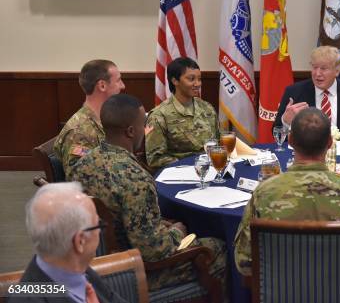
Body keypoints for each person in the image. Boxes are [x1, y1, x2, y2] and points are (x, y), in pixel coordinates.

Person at [73, 94, 226, 291]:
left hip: (94, 262)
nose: (146, 131)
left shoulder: (83, 164)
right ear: (130, 131)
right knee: (216, 248)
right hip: (133, 270)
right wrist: (176, 231)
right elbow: (153, 251)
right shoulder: (136, 179)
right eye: (143, 125)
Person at [235, 108, 340, 275]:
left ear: (291, 140)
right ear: (330, 143)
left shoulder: (264, 192)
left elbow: (244, 262)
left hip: (280, 293)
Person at [9, 182, 126, 303]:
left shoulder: (79, 271)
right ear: (80, 241)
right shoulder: (28, 298)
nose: (100, 231)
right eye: (98, 224)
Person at [273, 46, 340, 145]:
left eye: (323, 68)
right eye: (314, 67)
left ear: (337, 71)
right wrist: (285, 122)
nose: (317, 74)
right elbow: (276, 134)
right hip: (307, 155)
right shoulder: (294, 92)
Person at [54, 59, 125, 179]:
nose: (123, 86)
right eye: (118, 80)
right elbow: (82, 182)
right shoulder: (79, 132)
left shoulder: (104, 118)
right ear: (102, 85)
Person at [146, 57, 218, 171]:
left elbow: (218, 142)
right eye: (191, 79)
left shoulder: (207, 108)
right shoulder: (159, 116)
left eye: (199, 79)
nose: (197, 84)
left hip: (212, 169)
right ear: (175, 81)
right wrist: (192, 165)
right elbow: (155, 159)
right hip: (180, 173)